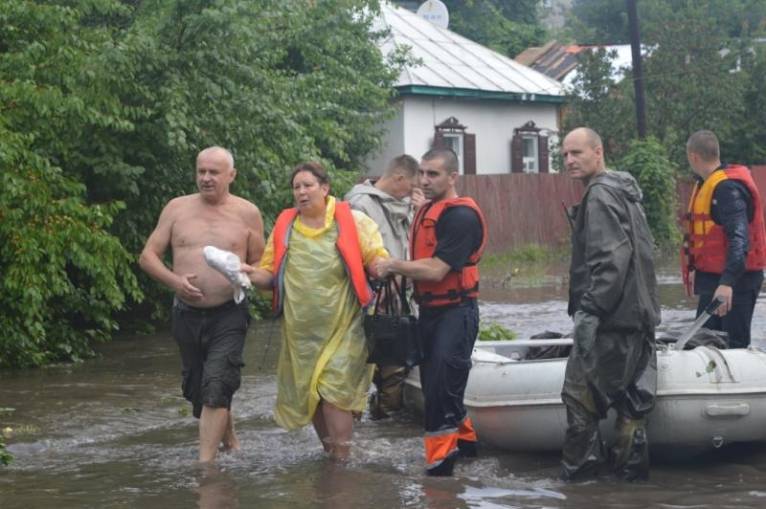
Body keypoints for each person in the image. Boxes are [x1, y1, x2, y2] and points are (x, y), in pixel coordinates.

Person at [243, 162, 387, 461]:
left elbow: (375, 258)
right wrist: (245, 274)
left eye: (307, 185)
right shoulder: (285, 226)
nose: (301, 192)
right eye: (296, 187)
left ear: (325, 188)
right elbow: (269, 275)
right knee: (314, 397)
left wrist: (386, 267)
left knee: (334, 394)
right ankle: (331, 455)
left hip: (346, 325)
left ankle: (343, 462)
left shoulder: (352, 221)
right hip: (301, 332)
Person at [139, 146, 264, 463]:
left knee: (217, 381)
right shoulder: (177, 209)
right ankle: (229, 435)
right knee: (198, 390)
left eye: (214, 172)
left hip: (229, 313)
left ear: (231, 175)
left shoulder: (247, 213)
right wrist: (174, 281)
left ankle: (204, 467)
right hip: (186, 314)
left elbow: (264, 267)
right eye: (201, 171)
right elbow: (148, 256)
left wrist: (249, 273)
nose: (206, 178)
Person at [376, 148, 487, 477]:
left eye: (433, 174)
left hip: (457, 313)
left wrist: (393, 265)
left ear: (452, 177)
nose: (424, 180)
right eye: (422, 173)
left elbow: (438, 270)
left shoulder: (461, 217)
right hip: (430, 313)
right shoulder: (429, 209)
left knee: (440, 393)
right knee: (441, 389)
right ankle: (468, 453)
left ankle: (439, 474)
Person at [560, 127, 660, 481]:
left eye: (577, 153)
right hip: (640, 319)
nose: (569, 160)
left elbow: (611, 261)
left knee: (579, 402)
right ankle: (629, 489)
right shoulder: (625, 191)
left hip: (612, 322)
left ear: (598, 152)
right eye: (565, 155)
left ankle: (582, 488)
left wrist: (590, 312)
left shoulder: (600, 195)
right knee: (633, 409)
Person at [344, 154, 425, 418]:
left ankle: (384, 425)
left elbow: (416, 244)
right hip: (369, 300)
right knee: (360, 371)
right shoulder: (359, 205)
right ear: (399, 178)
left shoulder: (405, 207)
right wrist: (378, 280)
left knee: (395, 373)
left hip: (399, 301)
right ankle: (352, 437)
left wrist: (419, 211)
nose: (413, 192)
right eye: (412, 186)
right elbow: (352, 253)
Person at [682, 130, 766, 348]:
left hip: (737, 281)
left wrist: (727, 283)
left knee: (733, 345)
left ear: (693, 157)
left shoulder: (727, 189)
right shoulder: (708, 184)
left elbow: (740, 239)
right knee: (702, 342)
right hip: (715, 280)